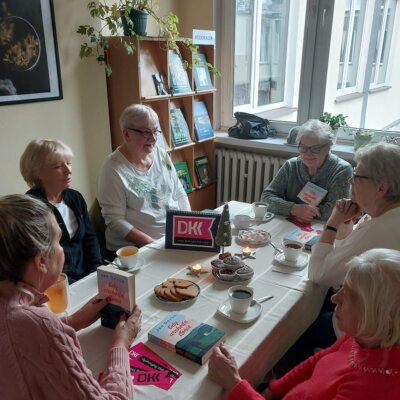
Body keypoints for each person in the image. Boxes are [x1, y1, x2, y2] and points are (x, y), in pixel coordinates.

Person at [0, 194, 142, 399]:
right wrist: (121, 344)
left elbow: (19, 340)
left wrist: (72, 321)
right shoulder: (36, 324)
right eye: (58, 241)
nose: (62, 249)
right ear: (41, 260)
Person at [208, 248, 400, 400]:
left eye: (349, 295)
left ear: (382, 317)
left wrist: (234, 385)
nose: (334, 298)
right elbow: (319, 360)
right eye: (342, 288)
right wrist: (273, 390)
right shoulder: (365, 336)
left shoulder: (373, 390)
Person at [286, 142, 400, 366]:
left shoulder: (381, 228)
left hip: (373, 331)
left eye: (357, 176)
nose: (351, 182)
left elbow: (318, 273)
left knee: (295, 327)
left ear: (381, 188)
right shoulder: (385, 215)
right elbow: (346, 247)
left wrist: (332, 223)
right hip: (382, 317)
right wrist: (345, 221)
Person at [97, 104, 191, 253]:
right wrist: (154, 245)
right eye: (146, 132)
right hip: (135, 249)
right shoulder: (113, 169)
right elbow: (115, 221)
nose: (153, 138)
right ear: (127, 134)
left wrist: (187, 227)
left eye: (156, 131)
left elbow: (179, 192)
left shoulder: (161, 154)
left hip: (172, 240)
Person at [20, 139, 102, 283]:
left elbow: (89, 237)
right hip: (56, 284)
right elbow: (37, 260)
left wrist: (96, 268)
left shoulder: (75, 197)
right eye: (58, 166)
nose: (68, 171)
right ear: (39, 173)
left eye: (69, 163)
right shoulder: (31, 208)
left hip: (88, 275)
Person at [261, 119, 352, 223]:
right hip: (289, 224)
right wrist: (293, 209)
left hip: (324, 229)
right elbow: (266, 197)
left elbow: (337, 212)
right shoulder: (291, 166)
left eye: (315, 148)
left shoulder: (342, 170)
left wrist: (304, 213)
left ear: (328, 148)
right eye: (303, 148)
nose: (308, 153)